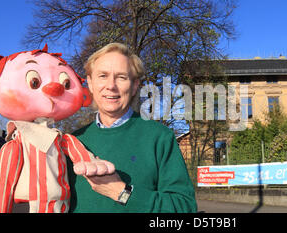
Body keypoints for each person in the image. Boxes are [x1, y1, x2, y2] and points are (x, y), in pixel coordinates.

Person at [67, 42, 197, 213]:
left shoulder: (160, 137)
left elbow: (184, 208)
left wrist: (123, 193)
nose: (111, 86)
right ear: (90, 83)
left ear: (135, 85)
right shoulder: (71, 142)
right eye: (103, 76)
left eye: (121, 77)